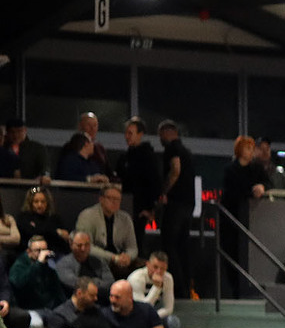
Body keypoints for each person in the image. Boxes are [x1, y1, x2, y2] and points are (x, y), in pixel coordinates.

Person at [219, 136, 267, 296]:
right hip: (232, 219)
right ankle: (235, 291)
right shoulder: (230, 170)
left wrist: (262, 187)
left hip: (252, 219)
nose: (251, 152)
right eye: (248, 148)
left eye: (252, 148)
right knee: (232, 255)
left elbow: (267, 183)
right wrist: (251, 191)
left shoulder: (257, 169)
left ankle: (247, 290)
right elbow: (232, 191)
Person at [158, 120, 197, 297]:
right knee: (183, 246)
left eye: (160, 134)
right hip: (189, 204)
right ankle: (187, 287)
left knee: (169, 244)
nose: (160, 138)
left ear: (167, 132)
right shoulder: (187, 152)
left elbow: (175, 170)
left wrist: (164, 191)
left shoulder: (172, 149)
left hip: (175, 203)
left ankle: (177, 287)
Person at [116, 117, 162, 252]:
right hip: (123, 206)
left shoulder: (148, 157)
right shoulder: (125, 157)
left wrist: (149, 208)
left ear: (140, 134)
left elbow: (154, 183)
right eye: (126, 133)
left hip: (139, 208)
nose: (127, 136)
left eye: (130, 133)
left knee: (136, 242)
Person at [75, 185, 138, 277]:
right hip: (95, 259)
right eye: (110, 198)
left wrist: (128, 257)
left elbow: (132, 247)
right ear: (101, 199)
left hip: (120, 261)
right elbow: (87, 247)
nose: (114, 202)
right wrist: (113, 257)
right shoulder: (87, 216)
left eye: (117, 199)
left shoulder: (125, 218)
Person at [128, 251, 179, 328]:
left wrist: (154, 318)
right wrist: (157, 287)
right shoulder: (136, 278)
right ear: (148, 264)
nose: (158, 272)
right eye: (155, 267)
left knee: (173, 322)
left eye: (162, 269)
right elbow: (143, 310)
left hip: (155, 314)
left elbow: (168, 308)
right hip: (135, 314)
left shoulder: (168, 278)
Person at [18, 187, 71, 256]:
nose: (39, 205)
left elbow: (65, 235)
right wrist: (56, 232)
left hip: (53, 253)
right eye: (36, 202)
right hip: (31, 254)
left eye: (43, 202)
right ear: (30, 203)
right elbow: (33, 233)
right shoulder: (24, 217)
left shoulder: (54, 218)